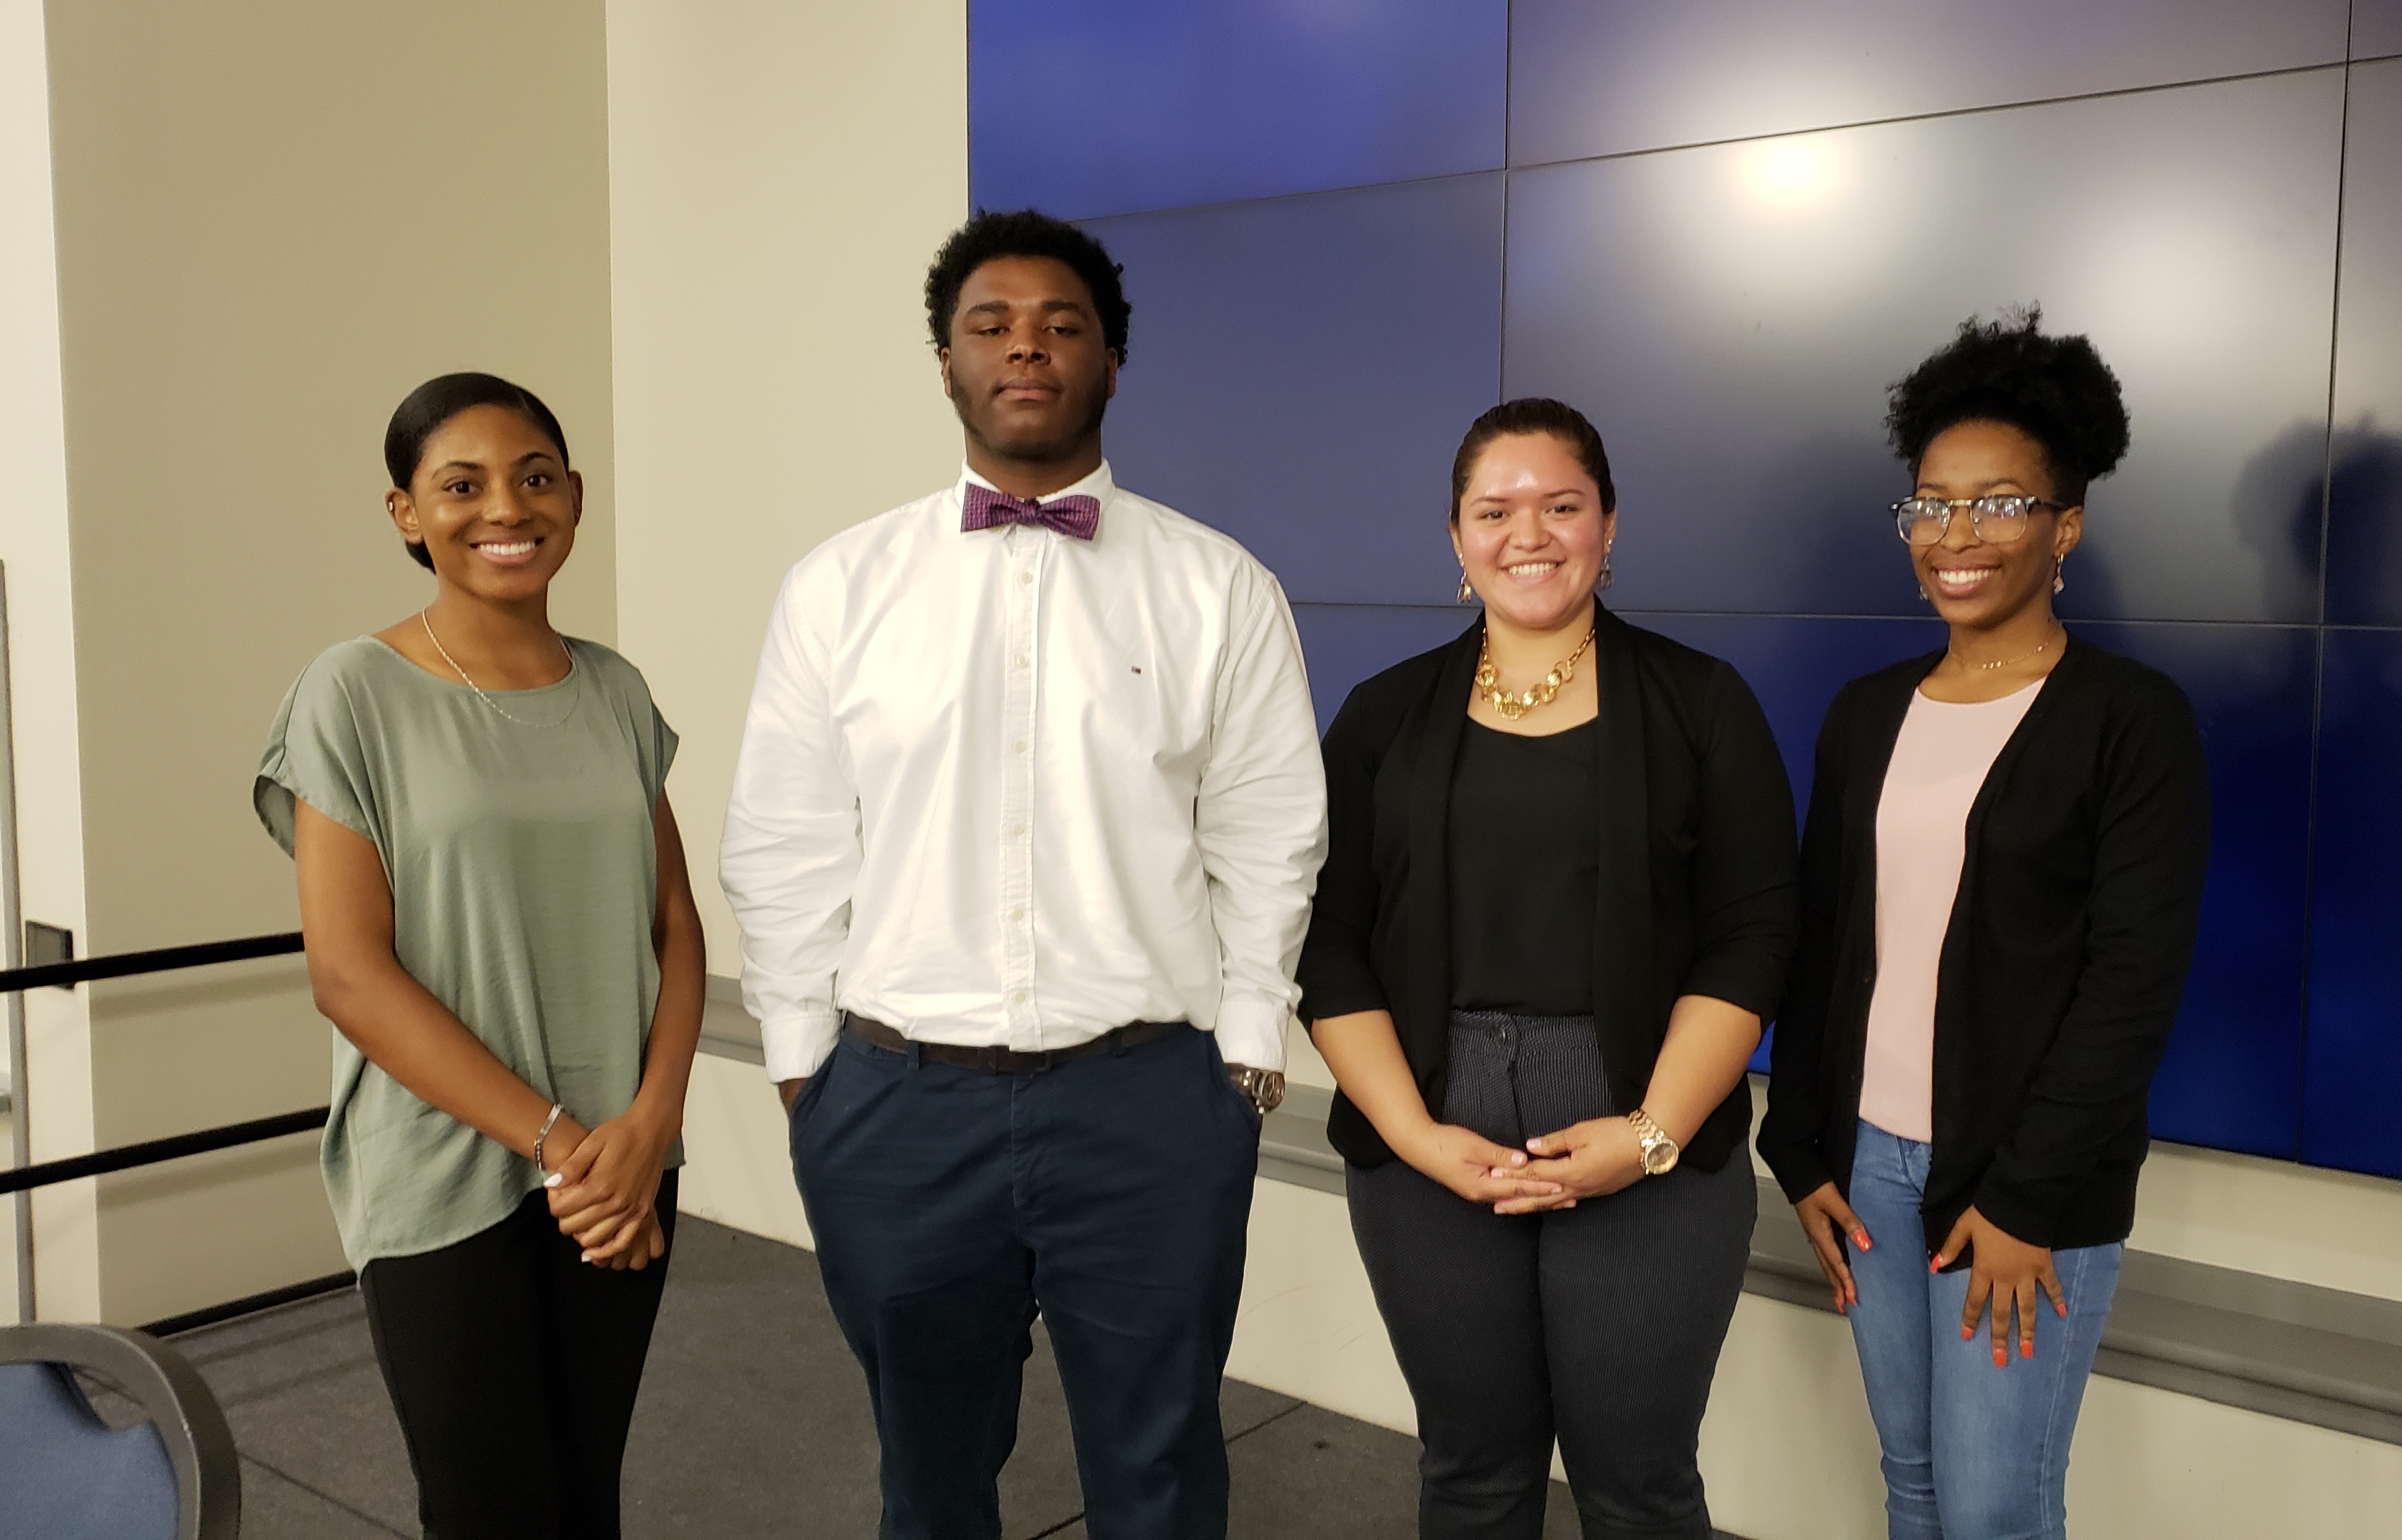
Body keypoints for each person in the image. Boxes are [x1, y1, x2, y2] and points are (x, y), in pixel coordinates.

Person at [718, 209, 1327, 1540]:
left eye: (1062, 325)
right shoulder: (839, 587)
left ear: (1113, 358)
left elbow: (1270, 829)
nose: (1027, 348)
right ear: (946, 362)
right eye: (990, 325)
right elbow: (786, 837)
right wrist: (806, 1063)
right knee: (929, 1480)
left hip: (1150, 1103)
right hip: (896, 1105)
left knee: (1161, 1477)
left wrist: (1245, 1049)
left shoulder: (1220, 586)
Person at [1296, 399, 1800, 1539]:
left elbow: (1755, 932)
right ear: (1456, 537)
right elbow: (1328, 940)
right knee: (1471, 1470)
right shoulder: (1383, 716)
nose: (1528, 534)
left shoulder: (1701, 702)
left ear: (1608, 525)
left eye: (1561, 505)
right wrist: (1415, 1136)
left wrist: (1652, 1133)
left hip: (1647, 1111)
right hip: (1429, 1118)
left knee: (1639, 1484)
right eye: (1495, 511)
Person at [1758, 310, 2212, 1539]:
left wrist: (2027, 1202)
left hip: (2021, 1186)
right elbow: (1823, 941)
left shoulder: (2130, 721)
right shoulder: (1866, 714)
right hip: (1867, 1168)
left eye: (2000, 504)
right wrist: (1798, 1147)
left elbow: (2131, 985)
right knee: (1912, 1484)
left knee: (1996, 1511)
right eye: (1932, 504)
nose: (1956, 536)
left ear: (2066, 526)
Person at [255, 372, 705, 1539]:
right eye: (462, 486)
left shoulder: (615, 690)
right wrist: (560, 1145)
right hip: (448, 1166)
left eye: (535, 477)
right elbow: (348, 974)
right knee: (487, 1507)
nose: (506, 507)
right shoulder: (350, 691)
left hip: (619, 1163)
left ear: (575, 498)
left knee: (585, 1495)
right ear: (407, 513)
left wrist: (649, 1127)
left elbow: (676, 927)